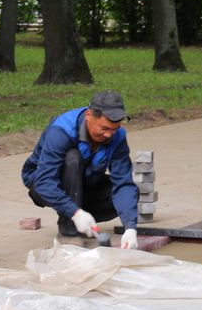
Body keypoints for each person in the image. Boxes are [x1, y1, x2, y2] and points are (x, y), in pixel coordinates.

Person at [22, 90, 139, 249]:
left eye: (114, 129)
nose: (109, 135)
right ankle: (69, 231)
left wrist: (130, 227)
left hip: (85, 183)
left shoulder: (117, 136)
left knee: (128, 194)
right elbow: (44, 182)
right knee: (73, 157)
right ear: (89, 115)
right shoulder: (62, 131)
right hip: (44, 183)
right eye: (104, 128)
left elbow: (123, 181)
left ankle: (81, 219)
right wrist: (75, 214)